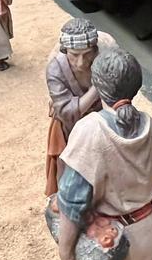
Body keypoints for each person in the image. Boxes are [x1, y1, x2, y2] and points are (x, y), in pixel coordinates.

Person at [56, 47, 152, 260]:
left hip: (108, 236)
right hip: (148, 227)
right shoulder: (150, 125)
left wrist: (66, 249)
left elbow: (72, 200)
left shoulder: (91, 130)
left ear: (98, 86)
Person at [45, 18, 111, 196]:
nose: (81, 62)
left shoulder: (104, 60)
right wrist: (97, 87)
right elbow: (66, 111)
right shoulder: (55, 69)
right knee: (71, 173)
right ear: (65, 51)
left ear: (94, 50)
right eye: (74, 55)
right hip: (70, 130)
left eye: (87, 54)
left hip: (99, 127)